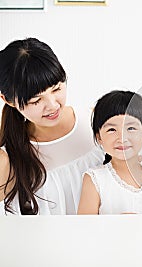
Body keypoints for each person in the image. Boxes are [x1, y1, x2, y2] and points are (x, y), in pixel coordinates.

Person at [0, 38, 103, 215]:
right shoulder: (7, 159)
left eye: (56, 89)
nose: (52, 105)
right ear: (8, 100)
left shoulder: (99, 121)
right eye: (36, 100)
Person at [77, 90, 142, 214]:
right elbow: (84, 230)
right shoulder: (95, 179)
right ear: (99, 137)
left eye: (131, 128)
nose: (122, 138)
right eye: (111, 129)